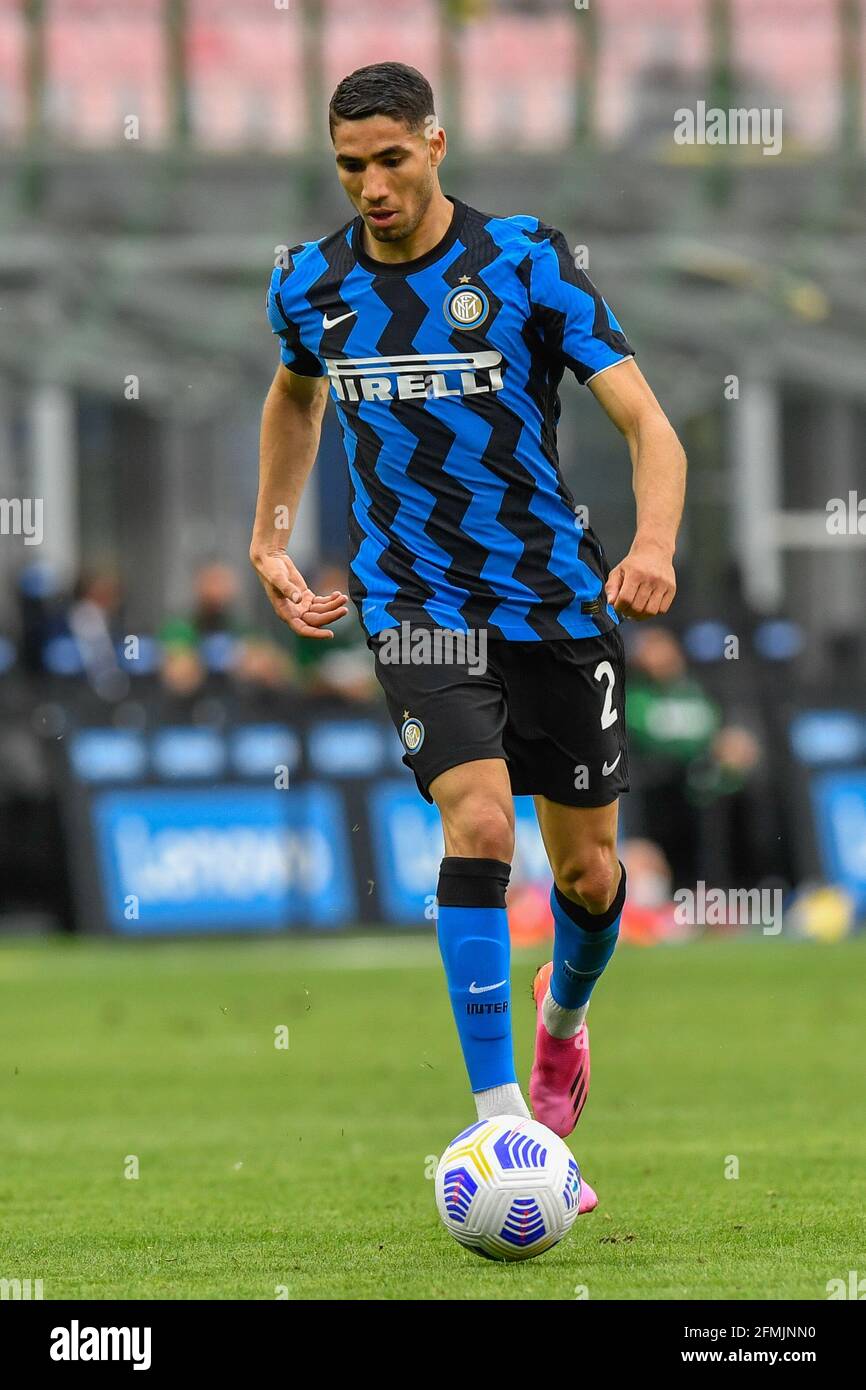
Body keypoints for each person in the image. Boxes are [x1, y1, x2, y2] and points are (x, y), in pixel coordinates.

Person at [249, 63, 686, 1201]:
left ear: (435, 144)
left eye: (391, 159)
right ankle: (504, 1126)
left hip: (553, 603)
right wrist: (273, 538)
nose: (372, 186)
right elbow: (294, 396)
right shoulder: (309, 283)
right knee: (480, 818)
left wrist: (650, 547)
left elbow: (647, 424)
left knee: (589, 879)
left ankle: (563, 1021)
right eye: (350, 166)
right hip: (414, 605)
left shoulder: (525, 259)